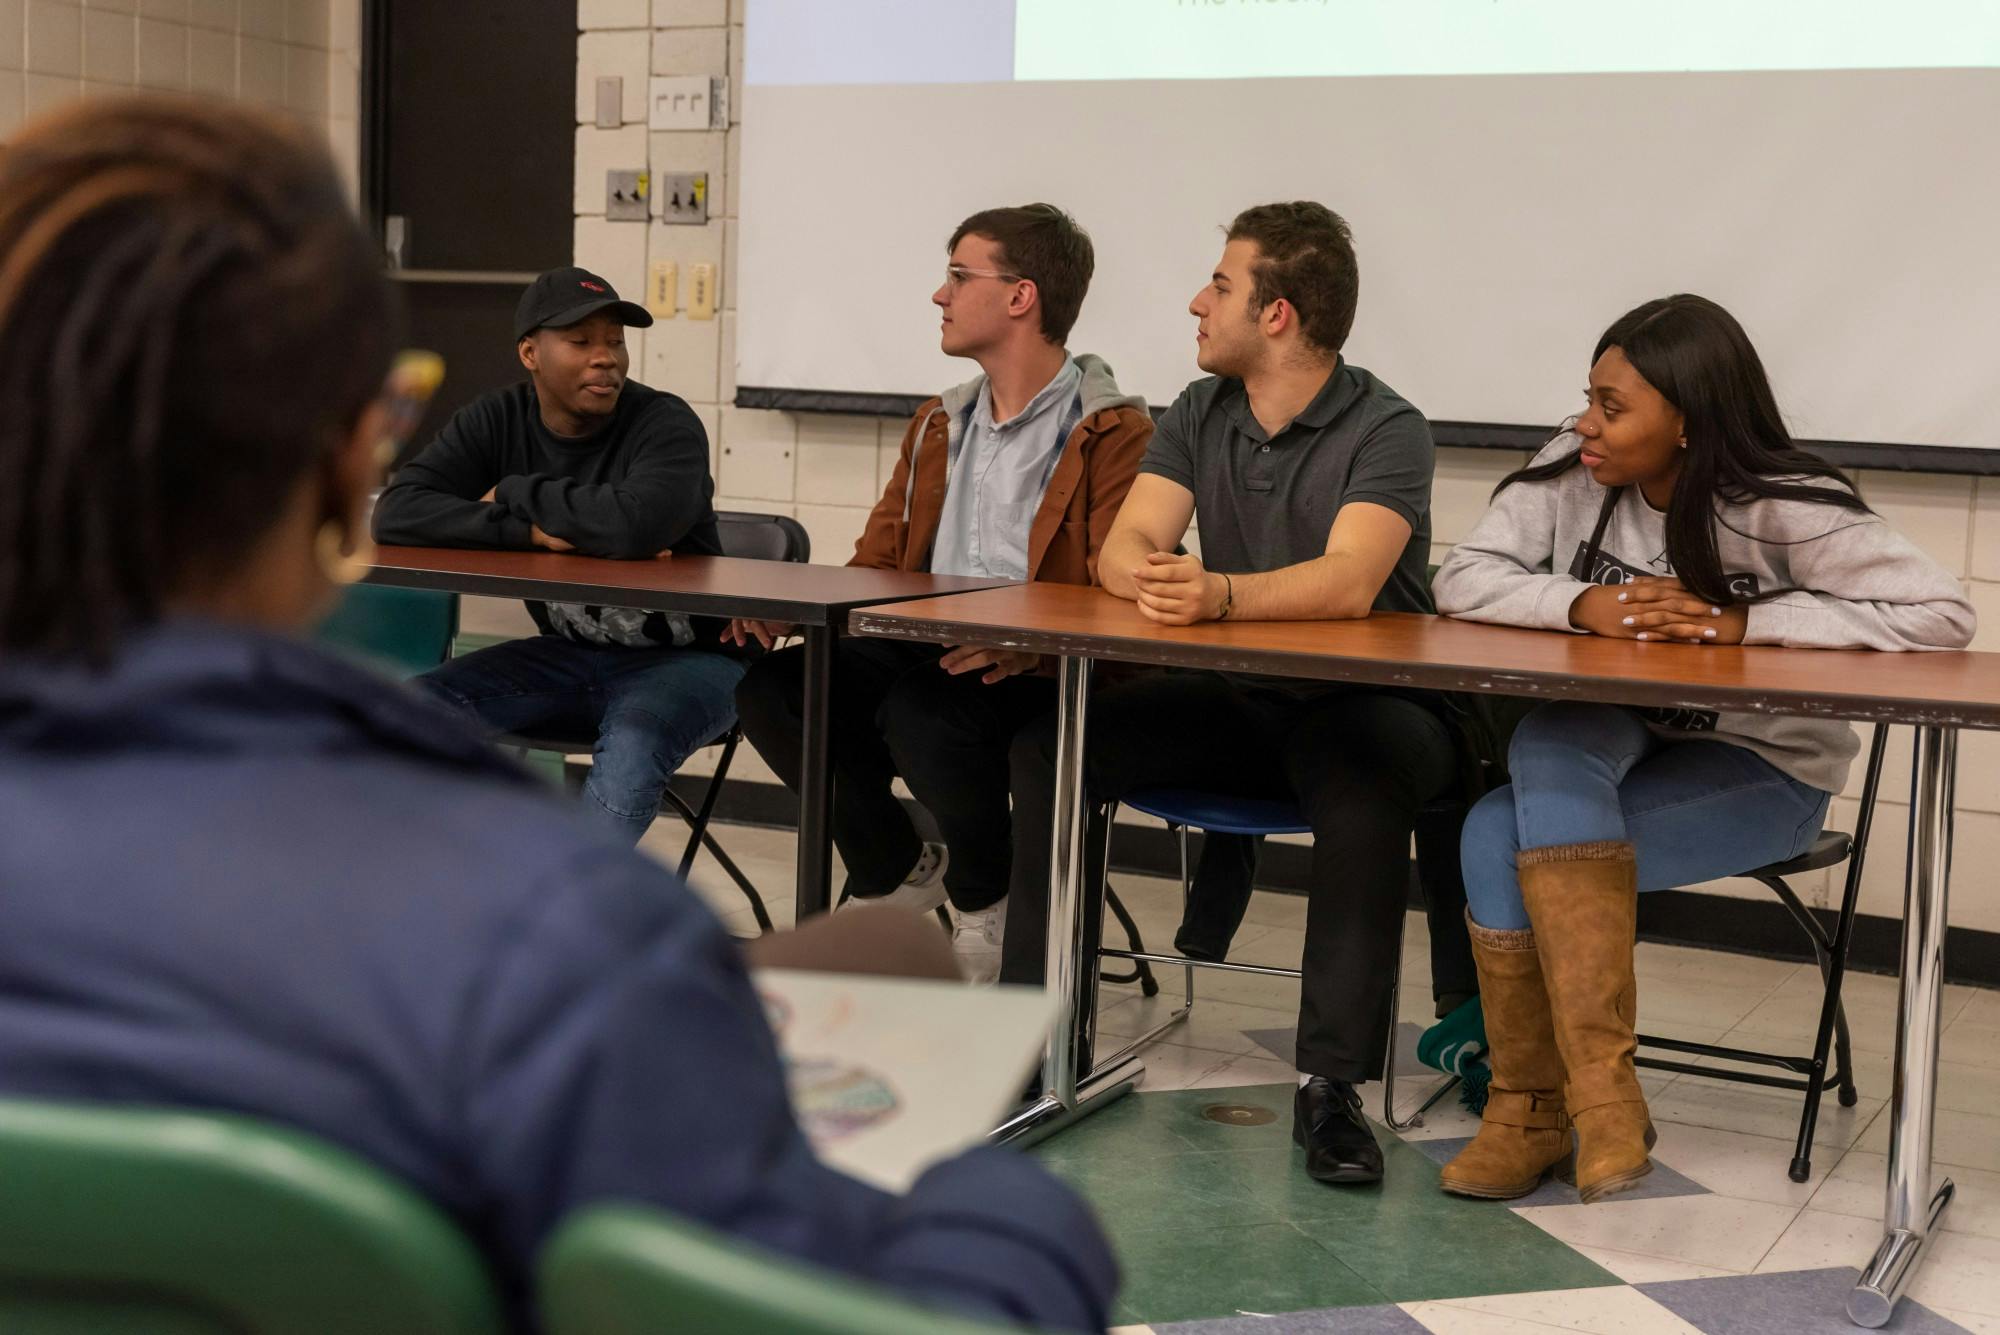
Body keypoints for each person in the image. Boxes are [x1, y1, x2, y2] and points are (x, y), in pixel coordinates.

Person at [0, 97, 1115, 1332]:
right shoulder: (536, 932)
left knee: (860, 938)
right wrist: (993, 1194)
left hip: (661, 697)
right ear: (339, 461)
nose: (604, 356)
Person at [1431, 294, 1975, 1203]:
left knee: (1496, 834)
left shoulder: (1782, 503)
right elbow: (1463, 576)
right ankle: (1562, 1106)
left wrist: (1745, 623)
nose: (1585, 425)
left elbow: (1943, 612)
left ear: (1687, 421)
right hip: (1618, 734)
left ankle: (1555, 1105)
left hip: (1762, 770)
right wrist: (1578, 603)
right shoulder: (1573, 470)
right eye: (1588, 398)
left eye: (1613, 407)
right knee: (1544, 747)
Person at [1010, 201, 1458, 1186]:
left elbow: (1347, 583)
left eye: (1218, 286)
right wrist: (1152, 579)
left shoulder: (1389, 429)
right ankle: (1031, 1040)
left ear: (1278, 316)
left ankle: (1329, 1089)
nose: (1194, 303)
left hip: (1371, 706)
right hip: (1243, 699)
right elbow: (1121, 547)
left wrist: (1213, 593)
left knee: (1363, 790)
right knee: (1057, 741)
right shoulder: (1198, 411)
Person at [729, 204, 1152, 982]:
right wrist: (799, 613)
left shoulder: (1112, 430)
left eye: (960, 276)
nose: (940, 295)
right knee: (774, 690)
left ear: (1021, 296)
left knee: (927, 710)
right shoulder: (938, 423)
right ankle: (895, 869)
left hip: (1037, 669)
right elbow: (875, 567)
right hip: (921, 649)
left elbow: (1115, 591)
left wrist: (1033, 646)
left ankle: (985, 900)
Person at [372, 265, 745, 846]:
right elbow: (398, 512)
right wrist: (527, 535)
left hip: (694, 662)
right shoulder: (496, 419)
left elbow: (633, 526)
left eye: (615, 342)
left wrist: (517, 491)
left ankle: (574, 916)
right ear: (530, 352)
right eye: (581, 342)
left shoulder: (664, 424)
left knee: (635, 744)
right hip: (565, 655)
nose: (607, 358)